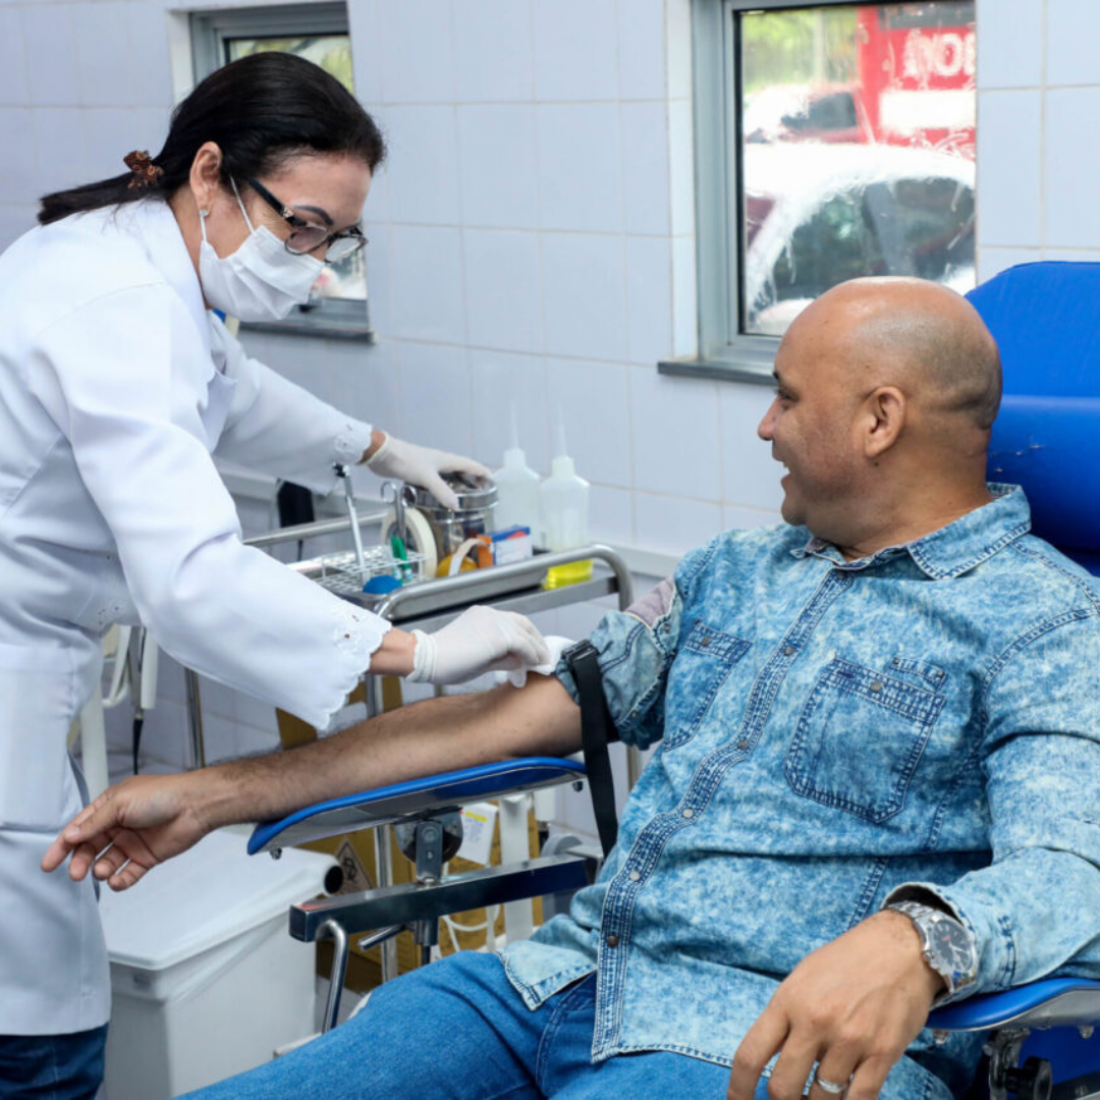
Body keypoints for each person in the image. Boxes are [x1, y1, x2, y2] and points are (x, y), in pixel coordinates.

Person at [44, 278, 1100, 1100]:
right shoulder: (735, 569)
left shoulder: (1039, 621)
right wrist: (217, 790)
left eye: (783, 395)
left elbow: (1068, 864)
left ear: (878, 419)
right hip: (558, 980)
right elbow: (524, 712)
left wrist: (910, 937)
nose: (763, 425)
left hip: (757, 1039)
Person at [0, 51, 550, 1097]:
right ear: (208, 171)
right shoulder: (115, 299)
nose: (315, 261)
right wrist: (419, 650)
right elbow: (193, 578)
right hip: (12, 675)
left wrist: (383, 447)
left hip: (34, 665)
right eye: (301, 226)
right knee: (40, 1037)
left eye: (335, 238)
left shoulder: (138, 257)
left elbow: (228, 389)